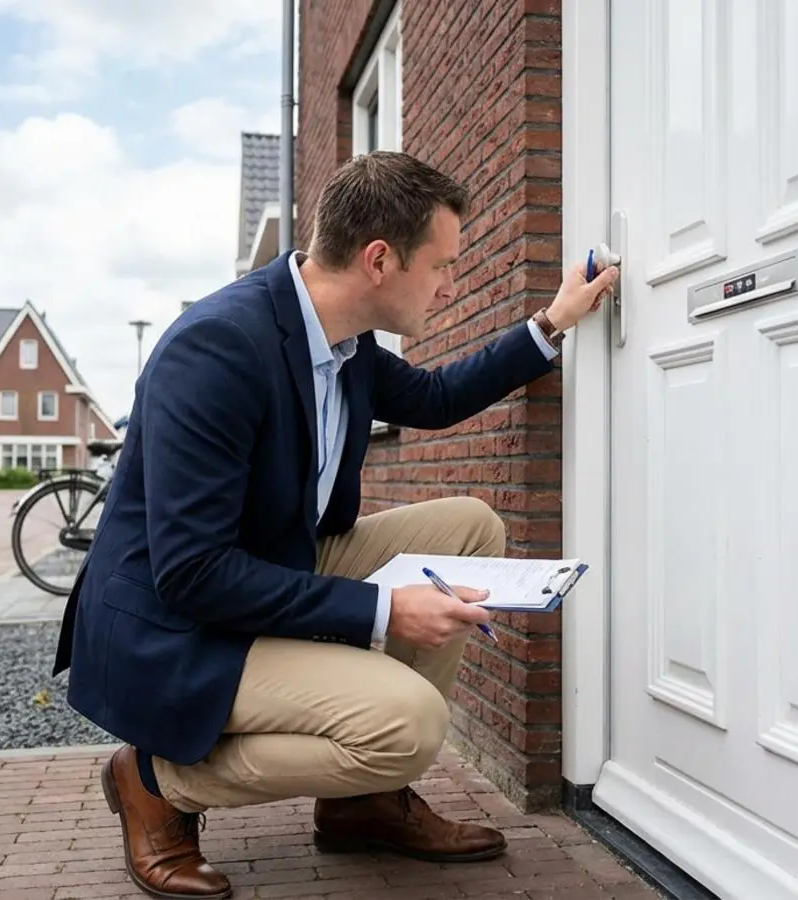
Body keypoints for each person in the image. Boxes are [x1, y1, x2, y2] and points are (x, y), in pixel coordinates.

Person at [52, 150, 618, 899]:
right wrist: (383, 611)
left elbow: (437, 397)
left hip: (274, 564)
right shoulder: (217, 348)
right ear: (379, 259)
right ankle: (157, 776)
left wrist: (553, 322)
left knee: (471, 527)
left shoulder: (344, 342)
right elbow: (190, 571)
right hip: (175, 621)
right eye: (442, 264)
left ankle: (363, 803)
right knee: (409, 726)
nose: (451, 284)